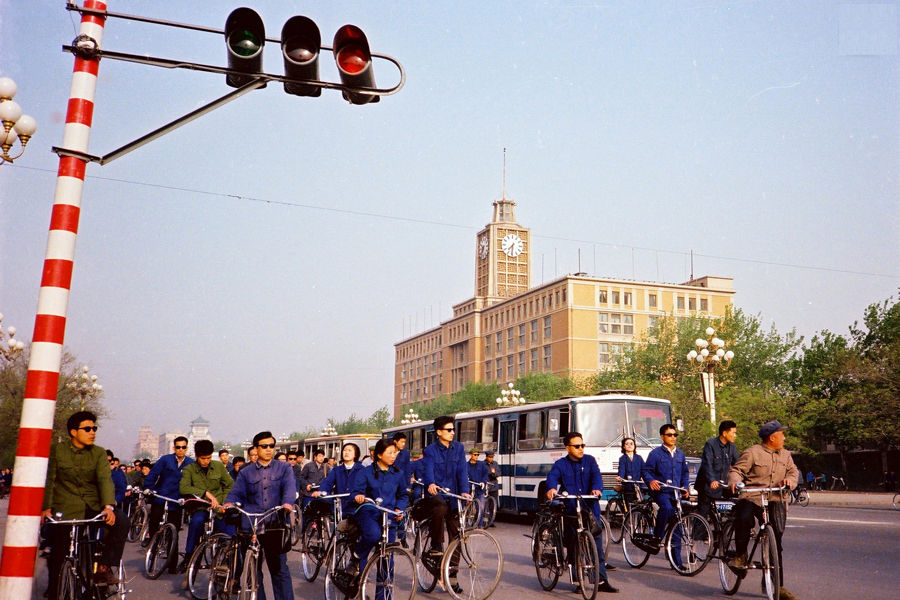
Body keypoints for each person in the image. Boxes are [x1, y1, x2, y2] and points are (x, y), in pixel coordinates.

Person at [42, 411, 128, 597]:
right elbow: (50, 480)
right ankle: (54, 586)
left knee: (121, 521)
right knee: (58, 550)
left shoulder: (98, 453)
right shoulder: (57, 451)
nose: (92, 432)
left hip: (93, 506)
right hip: (65, 507)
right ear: (73, 432)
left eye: (94, 428)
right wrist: (46, 508)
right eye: (87, 429)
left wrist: (108, 507)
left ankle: (103, 568)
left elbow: (105, 480)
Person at [727, 420, 799, 600]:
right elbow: (736, 470)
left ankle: (778, 586)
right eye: (782, 434)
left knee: (777, 543)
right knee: (743, 519)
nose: (784, 437)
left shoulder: (786, 455)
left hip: (775, 498)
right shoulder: (752, 453)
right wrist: (735, 481)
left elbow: (793, 472)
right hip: (753, 496)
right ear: (772, 438)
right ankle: (740, 556)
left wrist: (790, 481)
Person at [225, 431, 297, 600]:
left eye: (271, 446)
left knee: (279, 568)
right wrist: (229, 503)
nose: (268, 449)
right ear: (256, 449)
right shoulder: (245, 472)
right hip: (251, 524)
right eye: (264, 446)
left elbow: (289, 489)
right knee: (253, 571)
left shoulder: (284, 468)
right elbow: (236, 493)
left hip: (275, 523)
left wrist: (287, 504)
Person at [546, 431, 618, 594]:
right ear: (568, 448)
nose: (581, 449)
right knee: (574, 546)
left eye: (582, 445)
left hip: (590, 509)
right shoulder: (560, 464)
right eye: (577, 446)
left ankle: (601, 580)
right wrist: (551, 488)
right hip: (571, 509)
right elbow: (553, 477)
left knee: (596, 546)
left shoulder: (590, 461)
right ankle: (578, 581)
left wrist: (597, 489)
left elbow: (596, 477)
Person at [347, 439, 408, 580]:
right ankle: (356, 557)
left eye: (395, 453)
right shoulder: (365, 472)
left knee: (387, 560)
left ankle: (384, 594)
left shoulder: (398, 474)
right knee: (373, 535)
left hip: (389, 517)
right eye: (390, 453)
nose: (394, 456)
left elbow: (403, 495)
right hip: (368, 513)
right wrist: (359, 496)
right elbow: (355, 492)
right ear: (379, 455)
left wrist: (399, 508)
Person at [417, 415, 472, 573]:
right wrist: (431, 484)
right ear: (439, 432)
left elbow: (462, 472)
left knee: (457, 535)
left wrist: (465, 492)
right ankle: (435, 545)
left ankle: (452, 574)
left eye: (453, 429)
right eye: (449, 430)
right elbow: (428, 471)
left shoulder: (459, 448)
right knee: (440, 509)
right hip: (437, 496)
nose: (452, 432)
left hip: (454, 498)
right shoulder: (430, 451)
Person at [179, 439, 235, 573]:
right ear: (197, 456)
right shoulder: (189, 469)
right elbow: (184, 488)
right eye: (203, 458)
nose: (206, 461)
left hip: (219, 507)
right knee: (196, 523)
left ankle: (227, 561)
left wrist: (222, 501)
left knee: (227, 533)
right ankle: (189, 555)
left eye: (209, 458)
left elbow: (230, 485)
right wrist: (205, 494)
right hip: (201, 507)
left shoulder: (219, 466)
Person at [144, 436, 194, 570]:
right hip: (161, 495)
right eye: (178, 447)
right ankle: (152, 549)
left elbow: (192, 482)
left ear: (187, 448)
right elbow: (153, 474)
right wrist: (148, 488)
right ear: (174, 448)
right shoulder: (165, 460)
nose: (181, 450)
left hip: (177, 500)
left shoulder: (191, 463)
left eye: (183, 447)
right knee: (154, 522)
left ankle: (172, 565)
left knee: (174, 530)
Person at [642, 424, 690, 552]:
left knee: (677, 524)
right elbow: (646, 471)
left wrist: (685, 487)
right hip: (661, 491)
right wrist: (651, 480)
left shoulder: (680, 454)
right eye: (669, 435)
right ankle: (656, 538)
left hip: (676, 493)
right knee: (667, 508)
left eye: (675, 435)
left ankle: (677, 562)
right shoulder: (655, 454)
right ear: (662, 437)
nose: (673, 437)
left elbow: (685, 473)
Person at [695, 420, 739, 519]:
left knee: (739, 502)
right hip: (707, 486)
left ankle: (727, 529)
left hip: (722, 485)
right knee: (703, 514)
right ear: (724, 433)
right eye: (733, 433)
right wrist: (712, 480)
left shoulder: (731, 447)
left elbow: (738, 464)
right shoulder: (710, 444)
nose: (735, 435)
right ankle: (697, 534)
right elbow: (707, 464)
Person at [312, 442, 363, 513]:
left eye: (349, 450)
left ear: (355, 454)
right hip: (340, 505)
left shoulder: (362, 469)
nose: (346, 452)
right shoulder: (337, 470)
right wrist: (321, 491)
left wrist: (361, 495)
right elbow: (327, 482)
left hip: (356, 505)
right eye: (344, 450)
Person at [615, 437, 644, 503]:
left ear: (634, 446)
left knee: (641, 504)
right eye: (627, 444)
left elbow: (644, 469)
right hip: (628, 485)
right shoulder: (622, 458)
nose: (629, 445)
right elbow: (621, 469)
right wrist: (620, 477)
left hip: (639, 485)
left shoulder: (639, 458)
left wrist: (644, 477)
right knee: (630, 505)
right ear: (624, 447)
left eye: (631, 444)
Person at [466, 448, 489, 526]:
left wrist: (483, 482)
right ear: (471, 455)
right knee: (466, 506)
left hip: (479, 489)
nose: (476, 456)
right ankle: (466, 521)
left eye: (478, 455)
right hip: (469, 489)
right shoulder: (466, 465)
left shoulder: (481, 464)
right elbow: (464, 475)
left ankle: (479, 525)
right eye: (475, 455)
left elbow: (485, 474)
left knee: (481, 507)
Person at [484, 450, 499, 527]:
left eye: (492, 457)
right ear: (486, 457)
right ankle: (483, 520)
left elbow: (498, 473)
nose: (491, 458)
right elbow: (483, 474)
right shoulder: (483, 464)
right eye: (490, 457)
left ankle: (491, 521)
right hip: (486, 486)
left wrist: (493, 473)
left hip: (494, 486)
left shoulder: (495, 464)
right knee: (484, 504)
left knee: (493, 504)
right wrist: (490, 473)